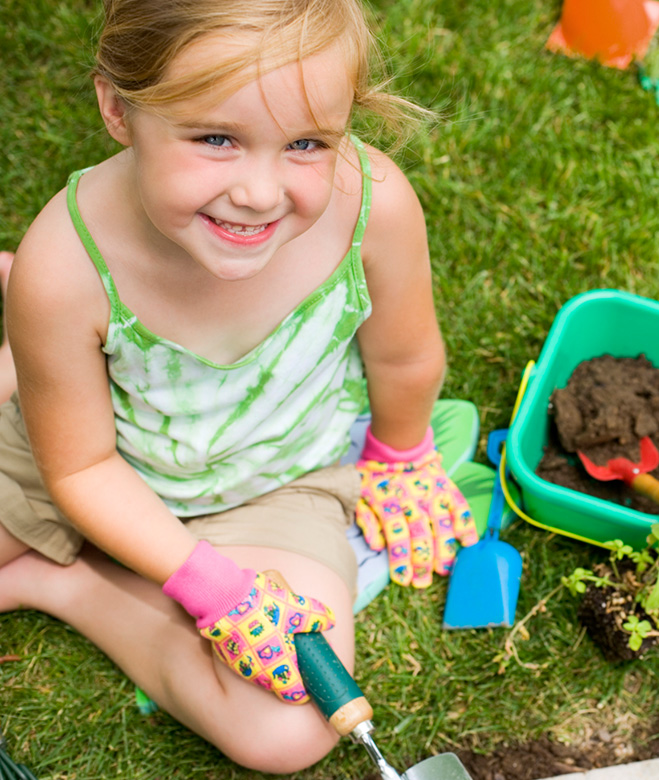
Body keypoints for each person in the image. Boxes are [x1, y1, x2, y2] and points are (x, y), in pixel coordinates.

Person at [0, 0, 479, 772]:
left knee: (286, 731)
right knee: (49, 344)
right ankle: (28, 359)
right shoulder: (67, 267)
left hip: (277, 484)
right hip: (89, 461)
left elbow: (403, 356)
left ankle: (58, 586)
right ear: (118, 108)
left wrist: (401, 453)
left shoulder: (371, 206)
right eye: (215, 139)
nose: (259, 192)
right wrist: (208, 585)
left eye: (304, 144)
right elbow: (81, 468)